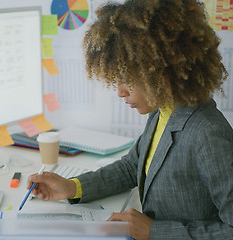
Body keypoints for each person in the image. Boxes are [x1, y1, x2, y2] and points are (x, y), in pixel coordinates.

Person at [27, 0, 233, 239]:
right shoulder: (163, 111)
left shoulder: (208, 133)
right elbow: (131, 167)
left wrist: (154, 231)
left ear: (161, 72)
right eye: (117, 79)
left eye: (129, 80)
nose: (120, 92)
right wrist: (72, 187)